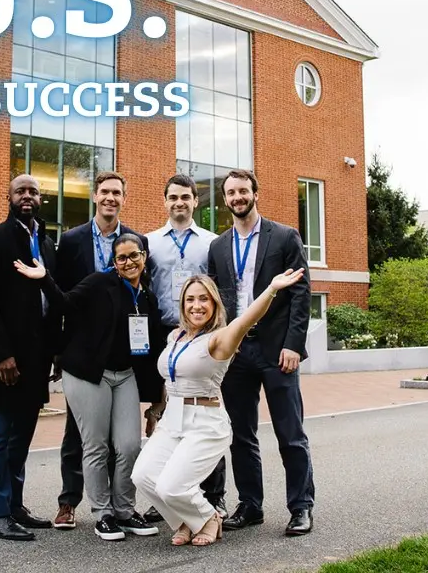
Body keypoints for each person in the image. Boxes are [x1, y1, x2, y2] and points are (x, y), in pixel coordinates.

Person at [132, 270, 305, 546]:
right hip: (172, 420)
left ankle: (207, 517)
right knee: (142, 476)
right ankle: (185, 522)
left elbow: (250, 316)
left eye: (203, 299)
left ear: (213, 304)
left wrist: (272, 288)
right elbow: (171, 378)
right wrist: (156, 411)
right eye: (190, 299)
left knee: (171, 486)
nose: (196, 305)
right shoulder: (175, 336)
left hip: (205, 423)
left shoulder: (220, 338)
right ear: (182, 304)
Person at [16, 233, 164, 541]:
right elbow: (65, 302)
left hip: (123, 375)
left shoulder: (147, 295)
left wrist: (156, 401)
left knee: (129, 446)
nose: (129, 262)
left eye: (134, 255)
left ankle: (125, 510)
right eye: (121, 258)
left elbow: (150, 350)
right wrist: (44, 278)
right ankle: (103, 514)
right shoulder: (100, 283)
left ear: (144, 256)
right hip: (87, 374)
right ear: (114, 262)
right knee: (96, 445)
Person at [207, 169, 315, 536]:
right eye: (231, 193)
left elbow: (301, 294)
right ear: (225, 199)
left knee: (290, 432)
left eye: (243, 190)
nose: (237, 197)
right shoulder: (218, 246)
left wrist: (293, 345)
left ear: (256, 193)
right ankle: (250, 505)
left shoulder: (284, 236)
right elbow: (215, 300)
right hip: (236, 353)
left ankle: (300, 507)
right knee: (240, 434)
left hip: (275, 349)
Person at [49, 172, 149, 531]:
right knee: (78, 435)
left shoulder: (133, 241)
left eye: (117, 193)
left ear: (124, 197)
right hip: (83, 356)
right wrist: (59, 354)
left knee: (122, 441)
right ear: (95, 196)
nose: (110, 198)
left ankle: (119, 507)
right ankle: (69, 501)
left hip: (120, 355)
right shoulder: (72, 240)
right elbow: (60, 298)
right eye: (104, 192)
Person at [0, 174, 57, 541]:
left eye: (33, 191)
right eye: (20, 191)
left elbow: (54, 301)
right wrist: (1, 355)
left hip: (38, 360)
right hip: (6, 360)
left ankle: (14, 506)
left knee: (21, 437)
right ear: (9, 197)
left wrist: (54, 354)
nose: (27, 196)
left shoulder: (48, 243)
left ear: (41, 199)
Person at [144, 174, 222, 521]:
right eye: (173, 197)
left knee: (203, 413)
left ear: (195, 201)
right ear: (165, 201)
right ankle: (165, 493)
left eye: (186, 197)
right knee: (166, 413)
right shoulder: (149, 242)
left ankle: (213, 496)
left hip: (201, 334)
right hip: (163, 332)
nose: (179, 203)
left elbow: (221, 290)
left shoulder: (211, 243)